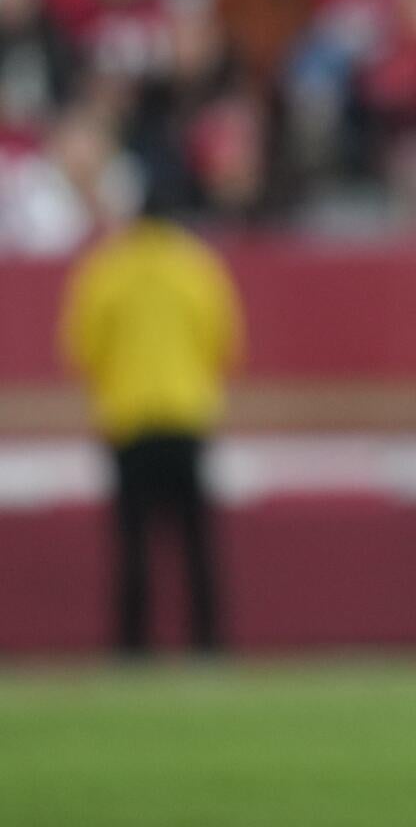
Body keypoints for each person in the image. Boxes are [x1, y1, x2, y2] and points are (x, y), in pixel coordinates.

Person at [60, 179, 243, 655]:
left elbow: (83, 345)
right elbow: (224, 339)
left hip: (129, 417)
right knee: (196, 540)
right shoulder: (196, 267)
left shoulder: (108, 268)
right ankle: (207, 642)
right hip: (186, 414)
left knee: (132, 540)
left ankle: (133, 645)